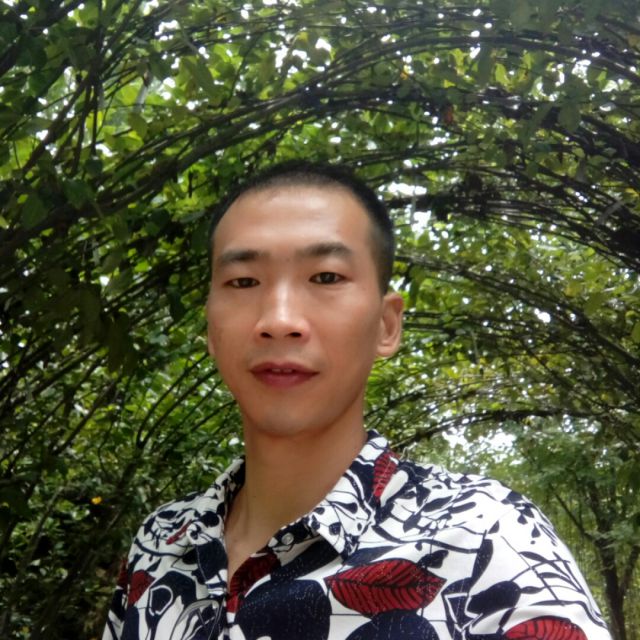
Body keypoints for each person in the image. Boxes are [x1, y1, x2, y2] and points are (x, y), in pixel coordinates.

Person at [103, 161, 611, 640]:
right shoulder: (162, 542)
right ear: (210, 328)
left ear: (386, 325)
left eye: (325, 277)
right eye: (243, 281)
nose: (279, 320)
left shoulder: (484, 537)